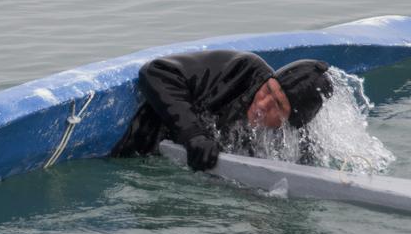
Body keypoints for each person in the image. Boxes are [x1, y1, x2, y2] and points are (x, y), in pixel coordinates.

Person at [111, 50, 333, 170]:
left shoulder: (296, 138)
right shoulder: (239, 70)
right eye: (268, 91)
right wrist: (193, 134)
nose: (263, 104)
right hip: (136, 156)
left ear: (291, 122)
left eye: (277, 106)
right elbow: (155, 71)